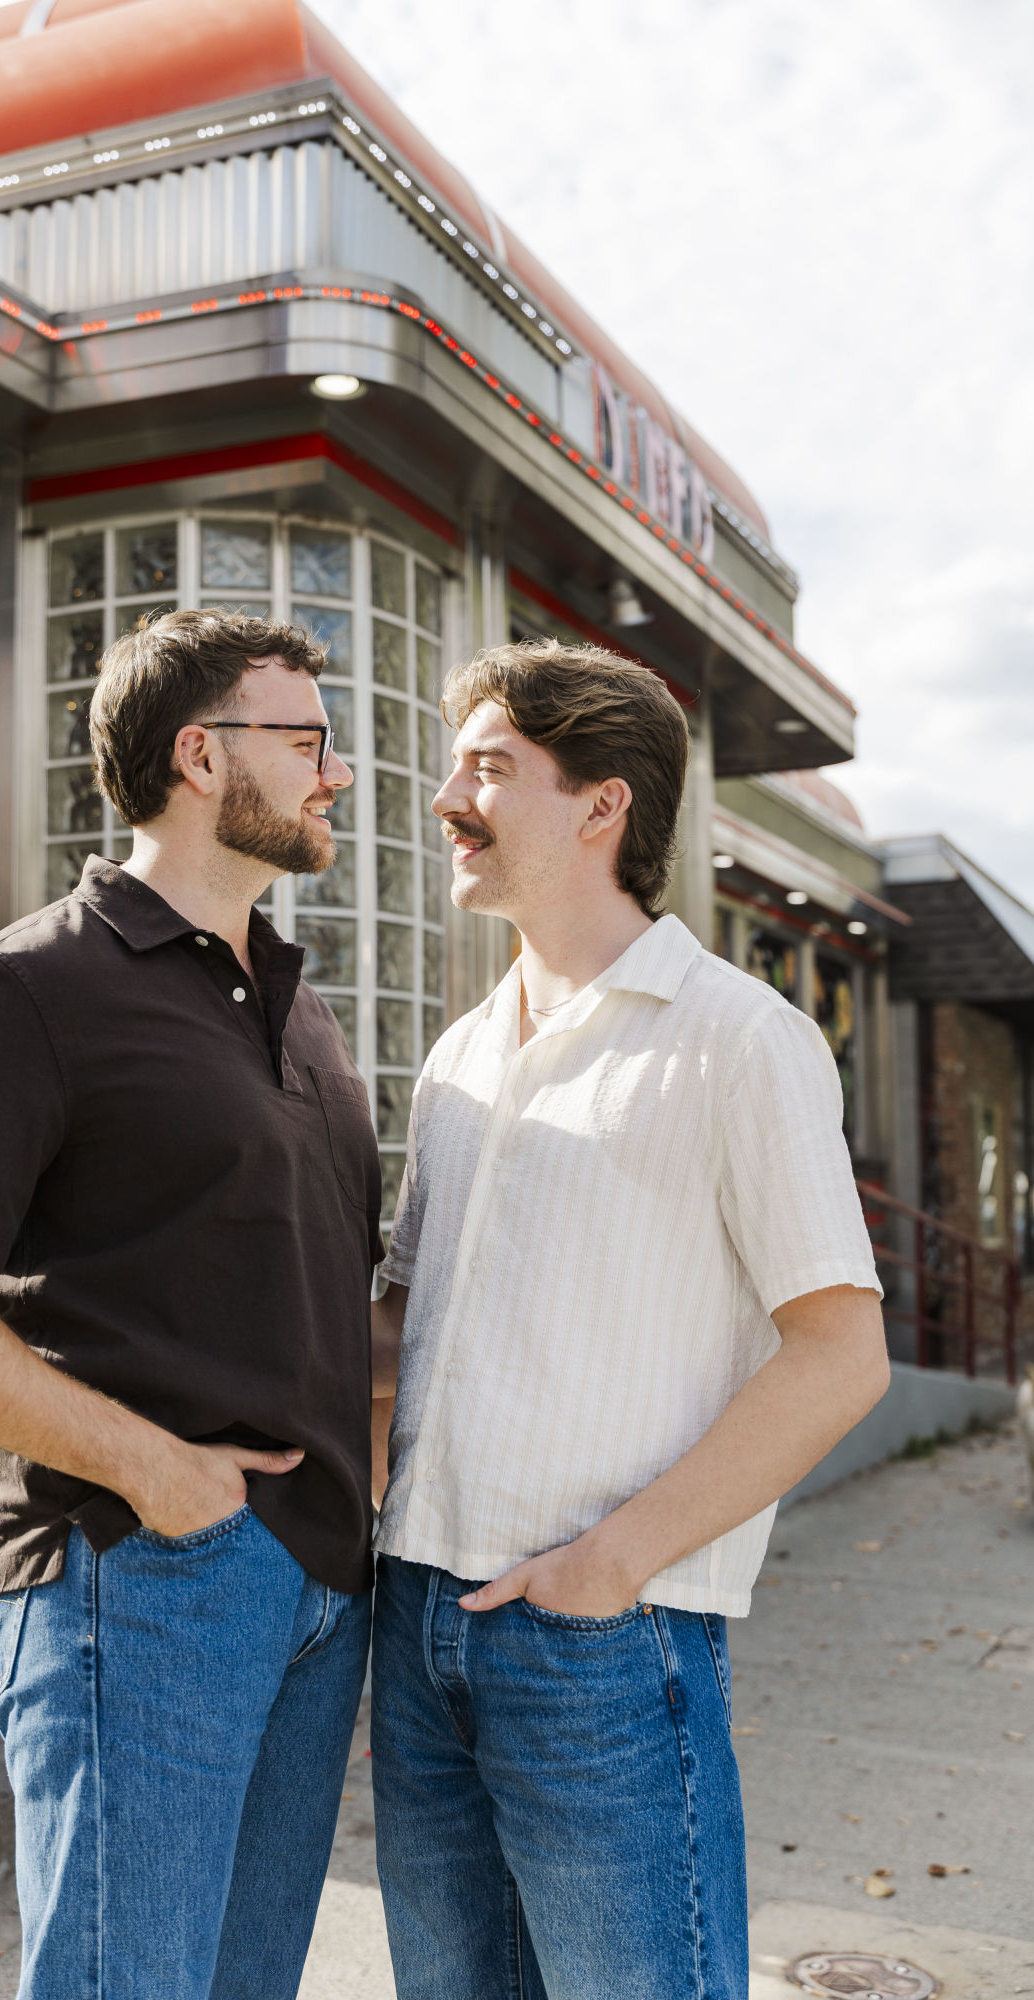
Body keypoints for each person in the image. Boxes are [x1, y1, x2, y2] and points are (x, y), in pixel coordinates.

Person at [0, 609, 381, 2000]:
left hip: (312, 1587)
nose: (338, 774)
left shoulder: (299, 1010)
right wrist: (164, 1479)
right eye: (305, 740)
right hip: (143, 1572)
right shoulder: (34, 988)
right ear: (201, 755)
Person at [369, 637, 889, 2000]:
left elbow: (839, 1354)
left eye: (486, 768)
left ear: (601, 804)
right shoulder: (458, 1053)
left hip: (599, 1639)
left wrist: (610, 1565)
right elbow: (403, 1323)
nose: (445, 798)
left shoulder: (737, 1039)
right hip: (419, 1621)